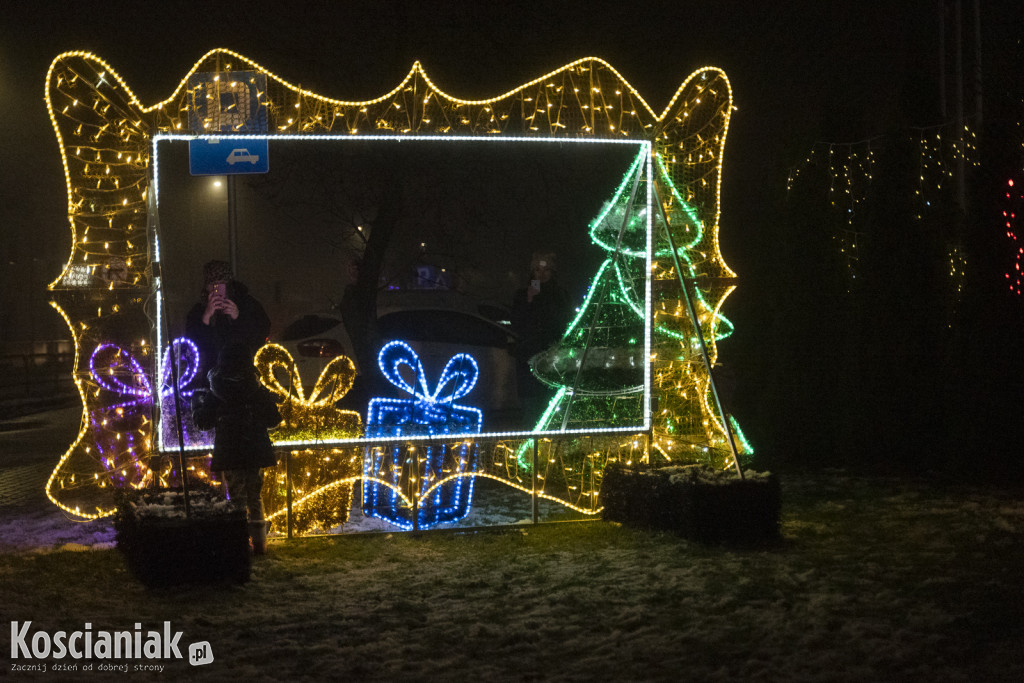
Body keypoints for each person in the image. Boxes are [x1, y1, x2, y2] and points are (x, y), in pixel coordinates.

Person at [192, 343, 282, 555]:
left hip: (230, 450)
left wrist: (196, 405)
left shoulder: (216, 389)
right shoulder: (256, 388)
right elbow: (274, 419)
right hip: (255, 449)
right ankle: (260, 543)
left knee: (236, 498)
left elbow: (203, 423)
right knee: (255, 495)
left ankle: (239, 542)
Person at [185, 260, 271, 386]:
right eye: (213, 284)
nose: (218, 289)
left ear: (228, 285)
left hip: (243, 377)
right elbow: (192, 344)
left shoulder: (246, 303)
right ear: (207, 287)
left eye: (221, 284)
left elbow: (259, 333)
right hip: (211, 377)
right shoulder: (198, 310)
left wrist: (238, 317)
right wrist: (206, 318)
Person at [511, 251, 572, 423]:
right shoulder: (523, 295)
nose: (541, 274)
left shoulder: (560, 295)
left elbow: (563, 321)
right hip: (528, 357)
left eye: (546, 271)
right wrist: (529, 301)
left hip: (552, 356)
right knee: (531, 406)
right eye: (537, 270)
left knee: (551, 404)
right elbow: (517, 322)